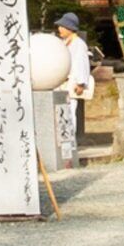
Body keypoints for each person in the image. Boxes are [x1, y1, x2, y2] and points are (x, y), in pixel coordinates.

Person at [46, 12, 97, 168]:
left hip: (72, 82)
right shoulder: (65, 42)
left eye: (62, 26)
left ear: (69, 27)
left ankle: (70, 143)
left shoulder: (78, 44)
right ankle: (64, 143)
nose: (60, 29)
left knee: (69, 113)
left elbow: (81, 64)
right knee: (62, 112)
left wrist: (81, 83)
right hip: (63, 81)